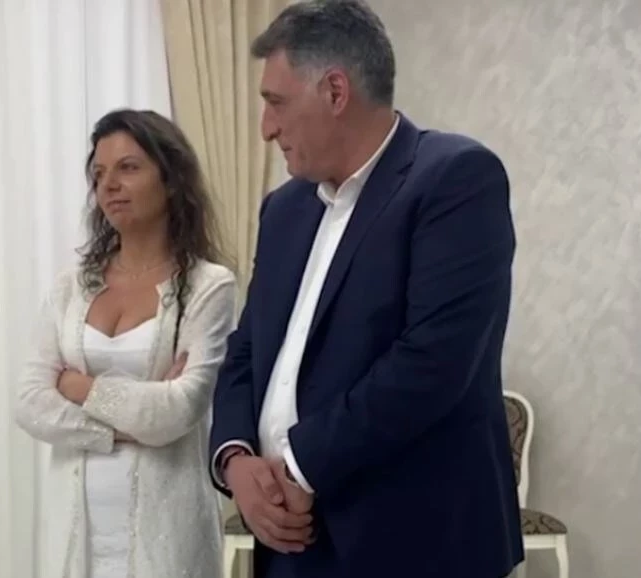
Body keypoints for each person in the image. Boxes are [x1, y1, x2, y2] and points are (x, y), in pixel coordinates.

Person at [209, 1, 524, 577]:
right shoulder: (283, 210)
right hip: (288, 543)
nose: (266, 128)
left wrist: (297, 466)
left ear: (335, 91)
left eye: (276, 102)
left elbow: (433, 362)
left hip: (414, 544)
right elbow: (247, 350)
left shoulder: (455, 178)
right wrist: (235, 460)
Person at [15, 109, 235, 578]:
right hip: (74, 538)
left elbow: (178, 410)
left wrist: (78, 388)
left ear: (170, 179)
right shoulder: (71, 286)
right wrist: (121, 430)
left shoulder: (208, 286)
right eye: (99, 174)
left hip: (168, 539)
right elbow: (30, 402)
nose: (109, 185)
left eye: (128, 168)